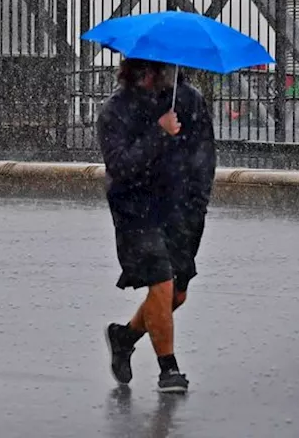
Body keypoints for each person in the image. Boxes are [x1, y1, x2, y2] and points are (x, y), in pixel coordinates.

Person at [96, 58, 200, 393]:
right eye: (160, 72)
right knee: (161, 286)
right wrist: (160, 131)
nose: (165, 78)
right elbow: (121, 165)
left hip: (173, 208)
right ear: (142, 73)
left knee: (177, 295)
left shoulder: (171, 103)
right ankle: (169, 370)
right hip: (134, 210)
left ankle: (124, 337)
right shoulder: (114, 112)